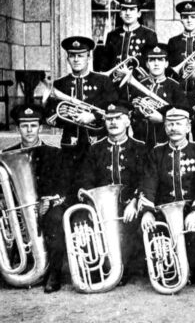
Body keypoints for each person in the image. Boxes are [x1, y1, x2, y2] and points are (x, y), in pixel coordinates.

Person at [138, 105, 195, 290]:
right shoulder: (156, 153)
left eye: (178, 124)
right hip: (164, 209)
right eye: (170, 124)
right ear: (164, 128)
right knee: (147, 228)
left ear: (188, 127)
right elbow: (148, 183)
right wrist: (147, 211)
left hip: (192, 207)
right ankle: (172, 270)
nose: (174, 128)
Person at [78, 101, 148, 286]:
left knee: (131, 225)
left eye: (118, 118)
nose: (113, 123)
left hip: (129, 204)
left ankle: (123, 268)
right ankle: (98, 267)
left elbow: (145, 179)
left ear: (128, 122)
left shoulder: (140, 148)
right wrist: (92, 202)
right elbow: (86, 180)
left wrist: (134, 202)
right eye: (109, 119)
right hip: (101, 207)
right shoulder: (95, 149)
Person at [2, 104, 67, 293]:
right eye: (24, 126)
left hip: (47, 205)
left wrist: (49, 200)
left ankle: (54, 273)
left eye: (33, 125)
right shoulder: (6, 155)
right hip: (18, 208)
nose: (29, 130)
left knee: (55, 219)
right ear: (17, 128)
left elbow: (63, 184)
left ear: (40, 128)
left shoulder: (54, 153)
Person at [46, 36, 119, 204]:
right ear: (67, 59)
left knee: (98, 186)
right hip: (71, 146)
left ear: (89, 57)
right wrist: (68, 117)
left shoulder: (102, 81)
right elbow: (51, 116)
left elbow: (113, 107)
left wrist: (93, 116)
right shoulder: (60, 84)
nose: (77, 59)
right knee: (72, 189)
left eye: (81, 55)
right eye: (72, 56)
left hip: (97, 143)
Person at [126, 43, 188, 148]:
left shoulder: (175, 86)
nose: (156, 64)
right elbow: (130, 112)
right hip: (141, 139)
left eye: (160, 60)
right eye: (152, 60)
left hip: (165, 140)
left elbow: (185, 115)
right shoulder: (138, 85)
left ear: (166, 64)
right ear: (146, 64)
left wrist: (163, 119)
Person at [100, 0, 158, 72]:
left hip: (138, 82)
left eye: (132, 9)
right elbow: (104, 64)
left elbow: (152, 65)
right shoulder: (112, 35)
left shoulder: (149, 35)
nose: (127, 13)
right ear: (120, 13)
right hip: (114, 82)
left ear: (139, 14)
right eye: (124, 9)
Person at [167, 1, 195, 82]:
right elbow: (169, 66)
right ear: (181, 20)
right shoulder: (173, 41)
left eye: (193, 17)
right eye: (185, 17)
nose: (189, 20)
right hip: (179, 85)